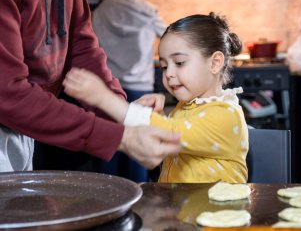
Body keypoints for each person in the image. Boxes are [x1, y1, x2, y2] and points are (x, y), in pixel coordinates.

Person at [0, 0, 181, 172]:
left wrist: (120, 111)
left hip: (26, 122)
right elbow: (6, 92)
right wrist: (119, 136)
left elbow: (82, 47)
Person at [63, 12, 249, 183]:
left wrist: (104, 98)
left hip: (216, 216)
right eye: (164, 66)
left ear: (215, 63)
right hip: (181, 211)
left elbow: (169, 133)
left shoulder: (226, 115)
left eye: (179, 63)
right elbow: (161, 140)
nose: (168, 74)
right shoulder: (187, 108)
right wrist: (152, 116)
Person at [91, 0, 167, 181]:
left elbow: (90, 44)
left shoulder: (103, 9)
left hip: (108, 89)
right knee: (138, 150)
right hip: (140, 88)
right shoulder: (148, 10)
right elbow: (171, 36)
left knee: (109, 147)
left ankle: (108, 203)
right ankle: (140, 202)